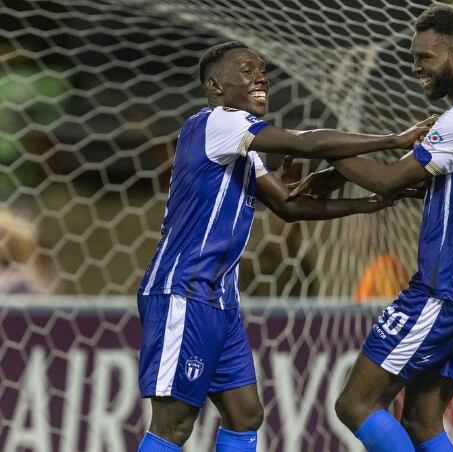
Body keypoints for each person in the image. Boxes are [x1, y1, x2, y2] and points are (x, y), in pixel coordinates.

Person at [136, 41, 433, 452]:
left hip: (219, 297)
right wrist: (393, 140)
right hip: (183, 290)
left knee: (245, 414)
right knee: (173, 425)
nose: (261, 77)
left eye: (262, 70)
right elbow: (306, 142)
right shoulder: (216, 123)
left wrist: (373, 201)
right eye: (246, 70)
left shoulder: (240, 146)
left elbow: (289, 205)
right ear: (215, 85)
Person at [290, 6, 453, 451]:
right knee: (420, 420)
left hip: (446, 290)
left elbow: (384, 180)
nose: (415, 67)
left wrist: (326, 150)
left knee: (355, 404)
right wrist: (344, 173)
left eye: (425, 57)